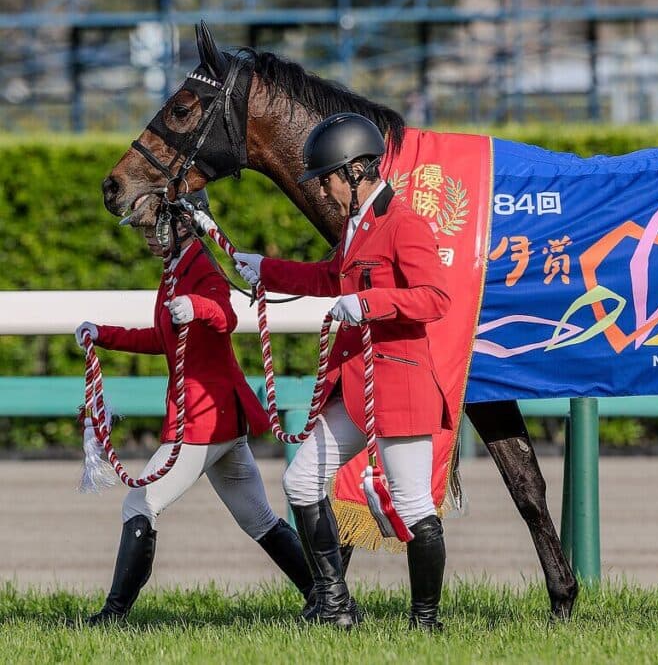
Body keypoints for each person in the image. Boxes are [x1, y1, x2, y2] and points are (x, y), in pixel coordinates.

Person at [232, 113, 452, 631]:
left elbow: (436, 297)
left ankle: (426, 621)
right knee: (301, 480)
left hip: (398, 384)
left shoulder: (405, 223)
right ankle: (334, 606)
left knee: (413, 502)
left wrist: (369, 304)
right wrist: (265, 268)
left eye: (328, 178)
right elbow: (331, 277)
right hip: (354, 387)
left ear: (356, 172)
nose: (325, 191)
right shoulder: (358, 227)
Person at [75, 190, 313, 625]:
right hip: (219, 418)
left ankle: (113, 615)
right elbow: (162, 339)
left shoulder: (202, 269)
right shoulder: (173, 271)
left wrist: (198, 307)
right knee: (258, 518)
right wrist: (103, 334)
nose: (147, 234)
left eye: (153, 225)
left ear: (183, 224)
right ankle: (324, 595)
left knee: (139, 505)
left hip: (205, 418)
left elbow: (226, 316)